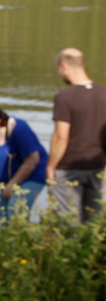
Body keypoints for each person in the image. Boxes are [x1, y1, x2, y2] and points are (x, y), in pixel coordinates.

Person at [46, 48, 106, 224]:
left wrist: (51, 166)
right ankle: (91, 251)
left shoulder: (65, 97)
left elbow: (61, 137)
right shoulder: (104, 93)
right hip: (96, 165)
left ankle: (67, 251)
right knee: (92, 219)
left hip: (68, 167)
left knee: (67, 222)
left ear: (64, 66)